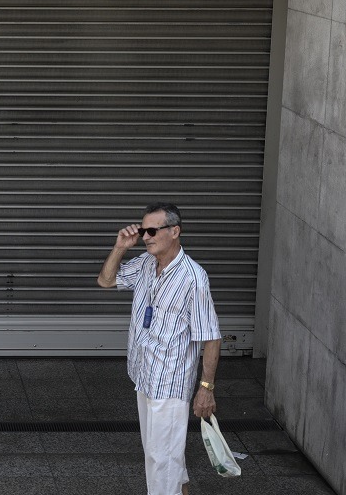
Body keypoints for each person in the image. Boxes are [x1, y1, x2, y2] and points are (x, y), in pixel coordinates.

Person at [96, 203, 222, 495]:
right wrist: (120, 247)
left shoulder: (192, 278)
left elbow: (211, 337)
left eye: (152, 231)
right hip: (144, 375)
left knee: (160, 460)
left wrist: (206, 388)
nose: (145, 237)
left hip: (170, 383)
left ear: (174, 231)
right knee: (163, 455)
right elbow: (106, 280)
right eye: (143, 231)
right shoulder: (144, 264)